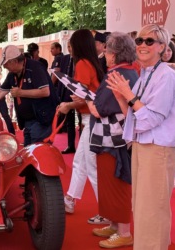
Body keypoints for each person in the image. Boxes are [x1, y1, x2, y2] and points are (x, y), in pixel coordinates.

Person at [106, 24, 175, 249]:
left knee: (152, 209)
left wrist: (128, 94)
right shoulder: (146, 74)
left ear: (162, 47)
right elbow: (135, 117)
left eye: (149, 41)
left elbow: (151, 119)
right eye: (139, 41)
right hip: (143, 146)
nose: (142, 45)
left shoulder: (167, 77)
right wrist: (122, 97)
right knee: (140, 207)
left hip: (158, 149)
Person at [83, 32, 138, 248]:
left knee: (117, 183)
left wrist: (87, 100)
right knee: (110, 182)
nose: (104, 54)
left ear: (114, 54)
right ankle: (116, 225)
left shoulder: (116, 74)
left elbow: (98, 110)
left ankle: (124, 231)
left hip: (113, 139)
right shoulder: (130, 72)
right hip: (116, 138)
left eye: (106, 51)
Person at [57, 29, 106, 224]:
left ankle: (106, 211)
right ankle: (70, 199)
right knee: (81, 163)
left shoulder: (83, 64)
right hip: (91, 120)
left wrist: (68, 105)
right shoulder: (90, 62)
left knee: (91, 166)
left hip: (91, 120)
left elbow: (83, 97)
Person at [0, 45, 59, 146]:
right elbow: (0, 93)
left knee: (37, 153)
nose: (4, 67)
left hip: (41, 119)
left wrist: (21, 92)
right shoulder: (12, 74)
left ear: (14, 61)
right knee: (27, 154)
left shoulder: (35, 67)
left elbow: (45, 91)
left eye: (6, 63)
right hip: (28, 121)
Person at [57, 40, 76, 154]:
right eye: (68, 46)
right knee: (69, 121)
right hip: (65, 93)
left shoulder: (81, 59)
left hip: (78, 95)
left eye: (71, 46)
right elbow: (61, 77)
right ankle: (70, 145)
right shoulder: (64, 59)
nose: (69, 49)